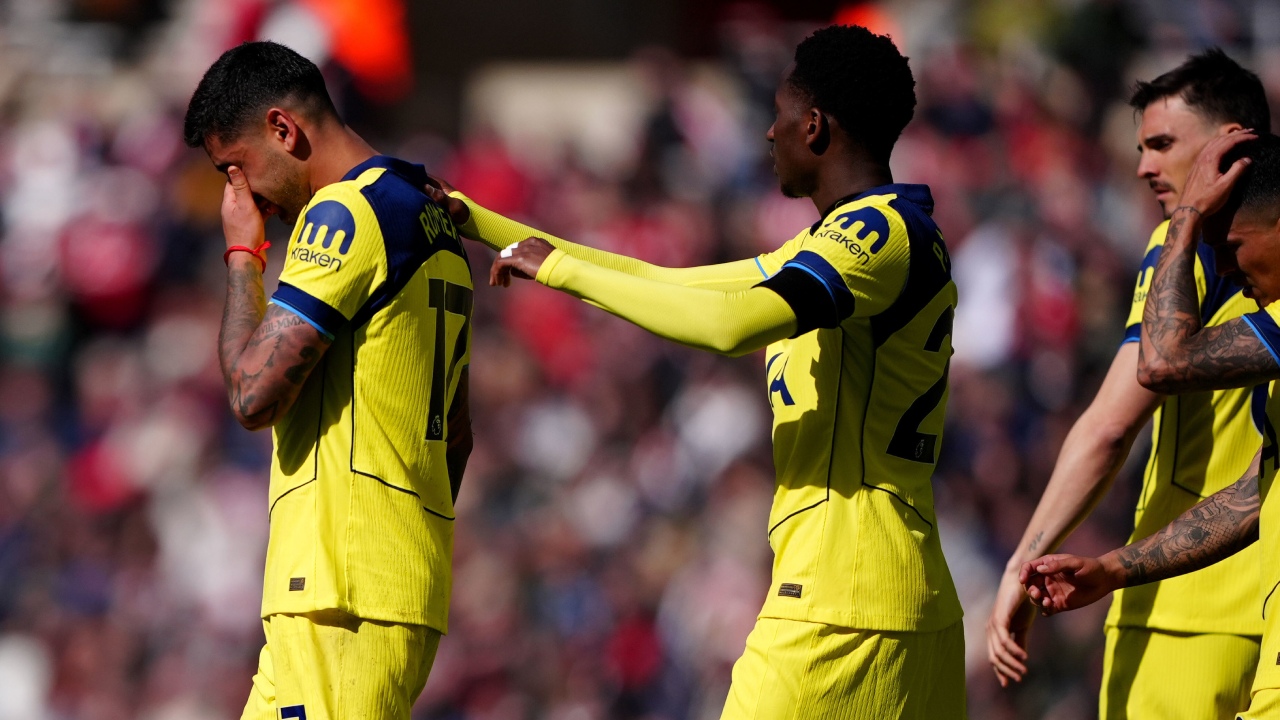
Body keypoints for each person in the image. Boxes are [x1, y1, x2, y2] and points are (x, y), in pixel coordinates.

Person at [432, 24, 965, 718]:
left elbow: (726, 324)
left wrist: (556, 269)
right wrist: (477, 221)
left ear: (814, 125)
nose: (769, 134)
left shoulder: (873, 237)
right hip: (907, 604)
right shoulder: (849, 239)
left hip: (840, 609)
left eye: (778, 115)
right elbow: (672, 283)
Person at [183, 41, 473, 720]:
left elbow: (252, 396)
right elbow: (455, 437)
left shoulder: (346, 214)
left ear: (283, 129)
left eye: (235, 168)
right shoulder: (428, 215)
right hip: (361, 588)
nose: (239, 193)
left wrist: (242, 257)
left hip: (342, 591)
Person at [985, 49, 1272, 719]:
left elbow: (1111, 425)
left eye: (1163, 145)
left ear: (1231, 142)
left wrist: (1022, 561)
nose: (1143, 166)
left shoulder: (1188, 248)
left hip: (1184, 614)